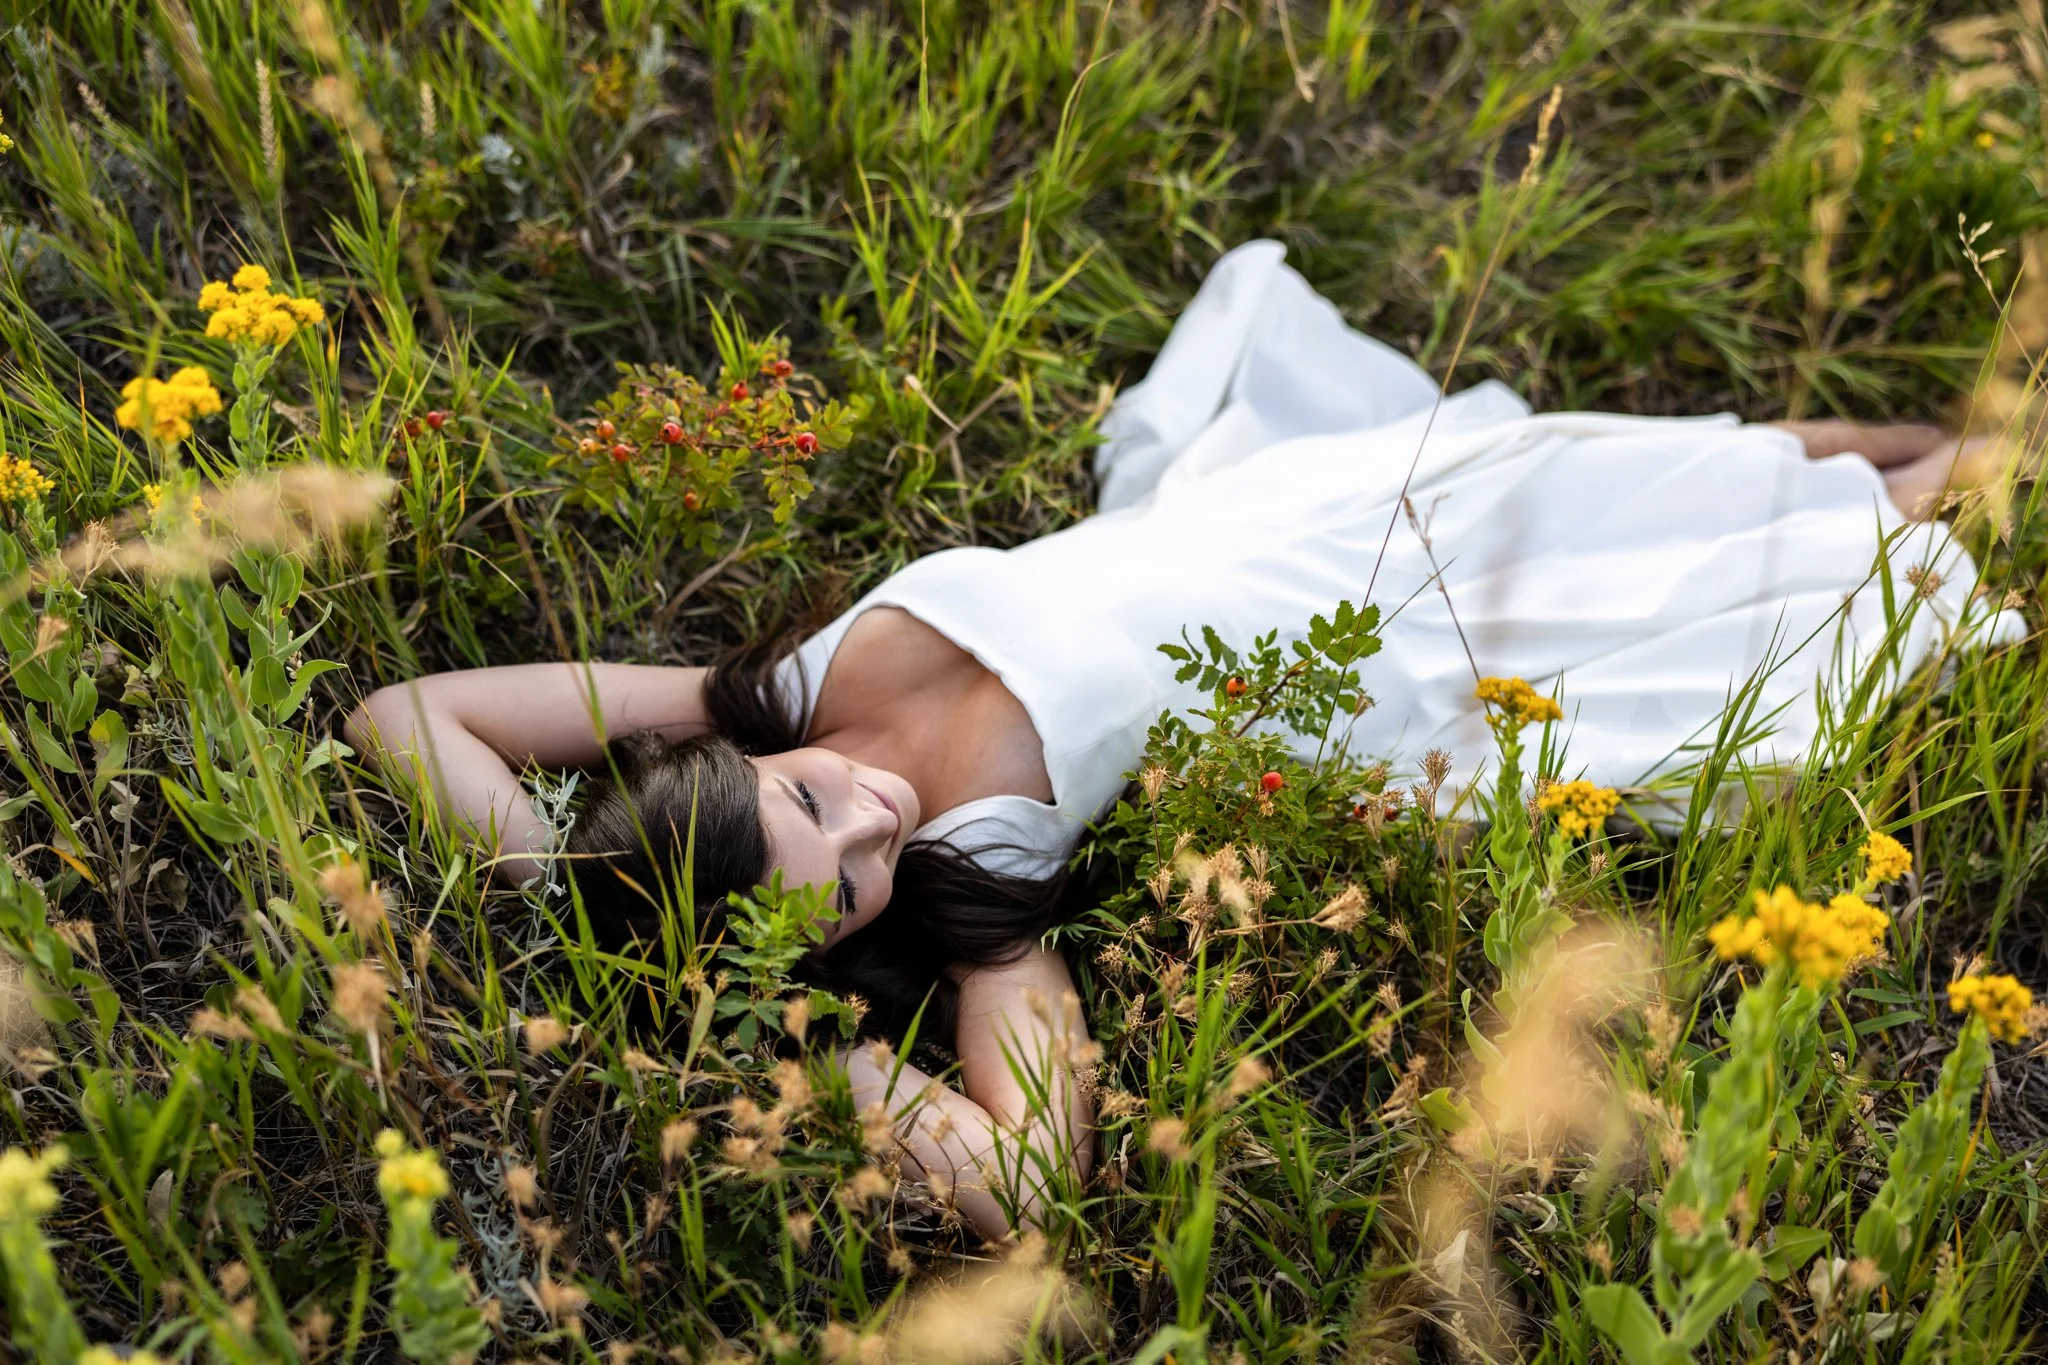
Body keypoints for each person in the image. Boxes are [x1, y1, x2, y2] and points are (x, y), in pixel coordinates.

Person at [346, 240, 2018, 1243]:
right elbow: (1023, 1183)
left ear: (741, 771)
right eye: (845, 885)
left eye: (809, 805)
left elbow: (405, 712)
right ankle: (1987, 476)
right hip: (1371, 671)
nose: (871, 815)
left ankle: (1977, 433)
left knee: (1656, 465)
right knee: (1760, 577)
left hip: (1286, 523)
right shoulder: (981, 889)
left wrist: (570, 899)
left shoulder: (763, 696)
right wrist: (791, 1049)